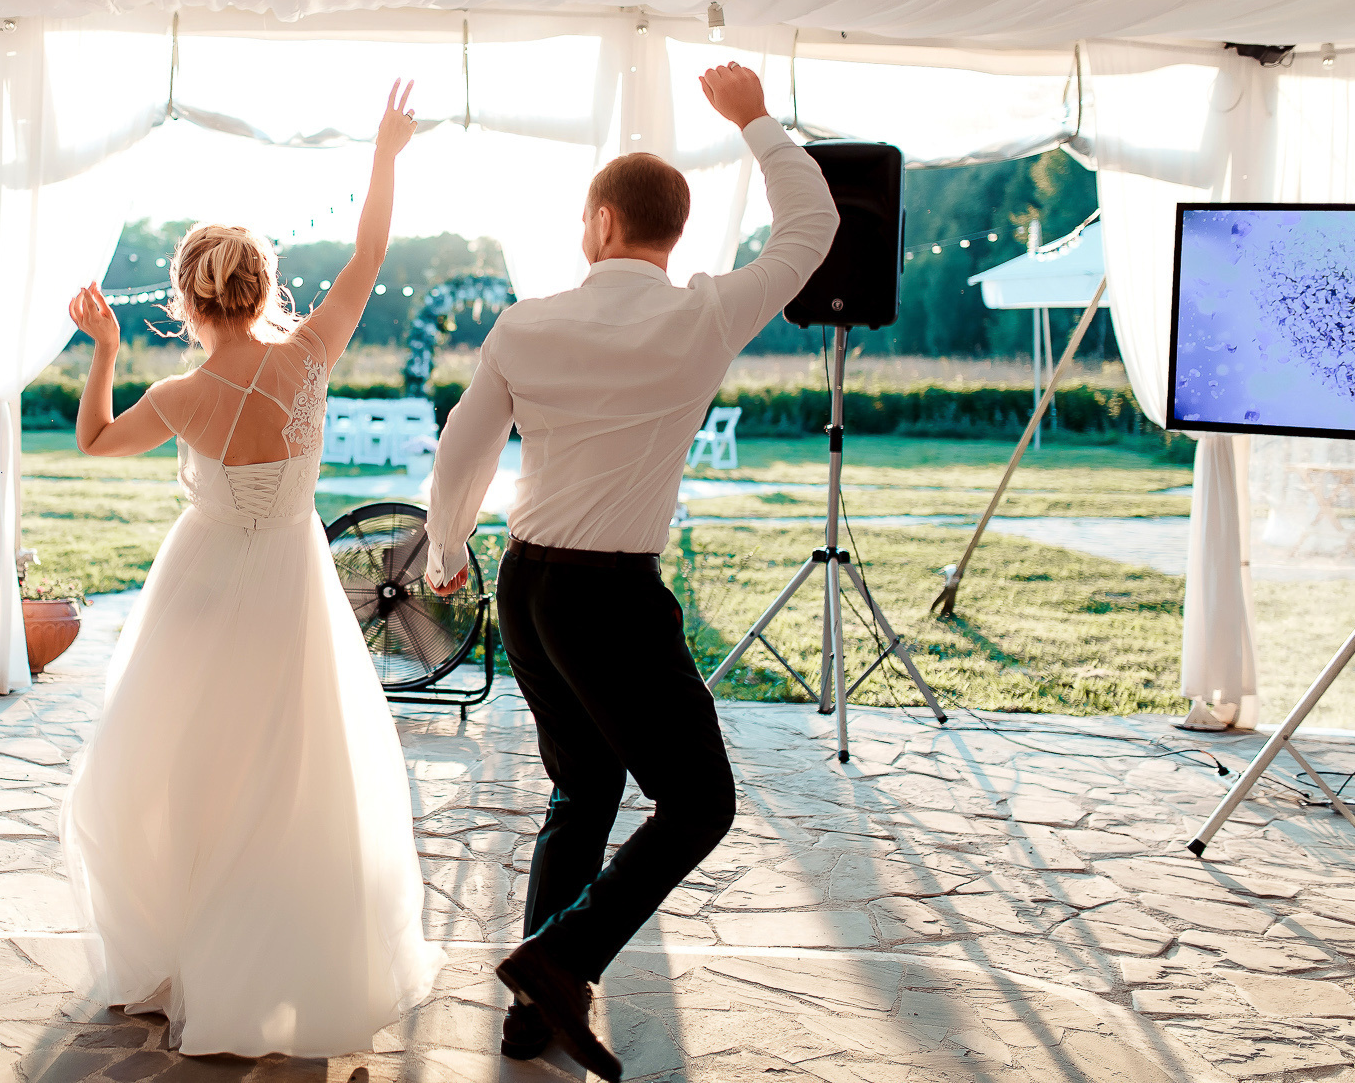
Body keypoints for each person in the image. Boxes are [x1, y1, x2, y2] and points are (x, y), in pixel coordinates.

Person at [423, 62, 838, 1080]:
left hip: (526, 584)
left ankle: (534, 1007)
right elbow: (809, 229)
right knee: (698, 802)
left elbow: (462, 450)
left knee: (584, 789)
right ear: (668, 232)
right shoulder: (701, 316)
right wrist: (752, 120)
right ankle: (561, 959)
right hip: (609, 595)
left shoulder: (525, 324)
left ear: (603, 222)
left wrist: (444, 555)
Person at [60, 81, 444, 1059]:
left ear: (189, 301)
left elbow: (95, 440)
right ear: (263, 290)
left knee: (180, 765)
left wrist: (102, 346)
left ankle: (188, 954)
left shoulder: (180, 391)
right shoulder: (311, 353)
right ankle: (268, 953)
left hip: (198, 587)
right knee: (290, 768)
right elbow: (366, 256)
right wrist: (385, 152)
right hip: (290, 584)